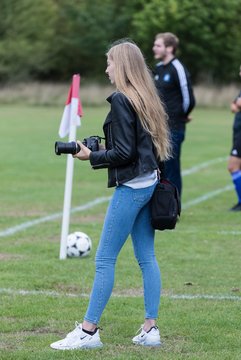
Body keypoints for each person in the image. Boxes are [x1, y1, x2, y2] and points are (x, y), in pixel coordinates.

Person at [50, 40, 172, 350]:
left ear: (123, 66)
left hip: (132, 189)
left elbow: (124, 153)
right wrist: (103, 148)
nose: (107, 68)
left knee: (104, 259)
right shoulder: (145, 96)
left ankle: (88, 332)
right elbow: (135, 149)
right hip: (149, 183)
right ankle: (150, 328)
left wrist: (89, 155)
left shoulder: (121, 99)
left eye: (110, 63)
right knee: (146, 258)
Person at [152, 32, 195, 196]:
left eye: (158, 45)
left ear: (169, 48)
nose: (154, 48)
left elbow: (189, 99)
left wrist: (181, 115)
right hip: (158, 127)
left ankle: (173, 206)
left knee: (171, 168)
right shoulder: (158, 68)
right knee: (159, 167)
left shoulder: (178, 67)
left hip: (174, 127)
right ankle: (161, 205)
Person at [227, 65, 241, 211]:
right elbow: (234, 106)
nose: (239, 73)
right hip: (237, 133)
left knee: (232, 166)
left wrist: (238, 104)